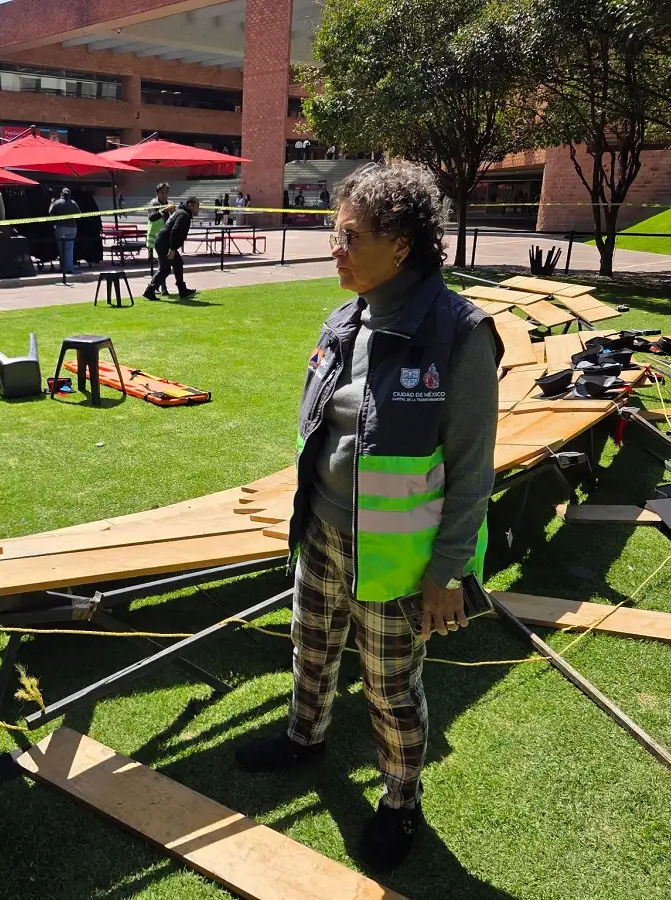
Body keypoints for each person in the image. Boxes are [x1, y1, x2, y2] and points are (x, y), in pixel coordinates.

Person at [234, 161, 502, 874]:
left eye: (351, 236)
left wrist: (448, 572)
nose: (337, 248)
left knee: (390, 689)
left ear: (402, 246)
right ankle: (304, 739)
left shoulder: (460, 334)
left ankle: (401, 800)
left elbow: (473, 470)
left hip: (395, 558)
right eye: (337, 233)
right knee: (310, 646)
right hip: (322, 532)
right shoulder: (345, 318)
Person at [143, 196, 198, 302]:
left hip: (163, 242)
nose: (198, 209)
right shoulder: (184, 215)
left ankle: (182, 290)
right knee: (165, 269)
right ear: (190, 205)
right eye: (197, 206)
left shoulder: (182, 213)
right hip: (164, 243)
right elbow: (175, 230)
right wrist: (172, 249)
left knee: (178, 263)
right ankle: (150, 290)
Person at [145, 182, 174, 296]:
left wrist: (173, 211)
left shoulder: (169, 203)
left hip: (165, 237)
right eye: (162, 192)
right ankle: (162, 287)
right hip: (155, 237)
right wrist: (164, 210)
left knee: (163, 264)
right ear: (157, 193)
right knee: (162, 264)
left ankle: (156, 286)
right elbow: (152, 218)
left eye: (166, 192)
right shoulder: (153, 203)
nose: (164, 195)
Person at [48, 187, 80, 276]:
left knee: (62, 249)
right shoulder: (73, 203)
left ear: (61, 194)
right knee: (70, 249)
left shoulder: (57, 202)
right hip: (73, 228)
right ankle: (69, 268)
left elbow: (50, 212)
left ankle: (64, 268)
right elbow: (78, 214)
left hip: (61, 228)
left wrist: (52, 203)